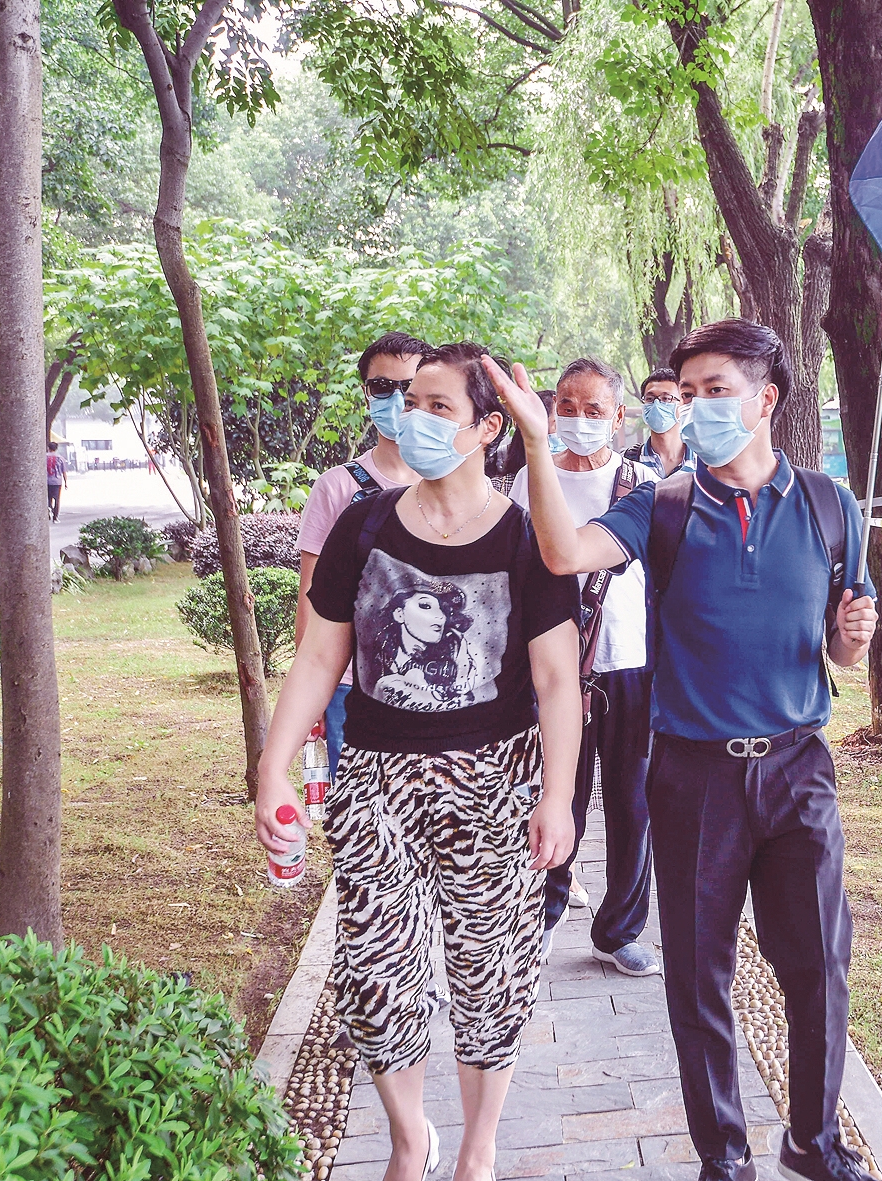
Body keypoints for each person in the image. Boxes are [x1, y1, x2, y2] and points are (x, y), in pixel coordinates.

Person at [488, 318, 881, 1181]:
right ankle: (724, 1154)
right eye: (689, 392)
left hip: (798, 768)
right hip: (693, 773)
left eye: (715, 391)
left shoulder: (828, 504)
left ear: (765, 400)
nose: (697, 407)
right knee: (699, 974)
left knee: (819, 963)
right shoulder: (663, 503)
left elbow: (841, 647)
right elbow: (563, 550)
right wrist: (537, 440)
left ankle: (813, 1142)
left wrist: (852, 638)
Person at [256, 341, 583, 1181]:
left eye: (440, 406)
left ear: (486, 428)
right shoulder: (363, 524)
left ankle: (478, 1147)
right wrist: (272, 765)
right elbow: (318, 655)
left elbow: (557, 680)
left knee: (491, 972)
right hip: (377, 779)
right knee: (376, 972)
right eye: (411, 402)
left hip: (494, 780)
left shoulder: (527, 538)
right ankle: (410, 1138)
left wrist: (558, 796)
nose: (416, 418)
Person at [509, 359, 660, 977]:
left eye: (593, 409)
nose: (578, 418)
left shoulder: (643, 482)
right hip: (552, 672)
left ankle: (618, 930)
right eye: (566, 406)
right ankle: (543, 912)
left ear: (618, 417)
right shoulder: (529, 480)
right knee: (557, 794)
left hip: (630, 666)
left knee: (631, 801)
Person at [297, 331, 428, 771]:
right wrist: (310, 693)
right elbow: (310, 595)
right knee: (358, 806)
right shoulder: (336, 487)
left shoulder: (456, 486)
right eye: (382, 386)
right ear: (366, 394)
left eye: (409, 387)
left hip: (434, 683)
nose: (397, 399)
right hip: (350, 686)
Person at [626, 368, 697, 477]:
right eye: (650, 399)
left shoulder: (703, 463)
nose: (656, 404)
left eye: (666, 398)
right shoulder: (628, 464)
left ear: (683, 403)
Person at [46, 442, 67, 521]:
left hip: (47, 481)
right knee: (57, 499)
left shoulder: (44, 457)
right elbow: (64, 472)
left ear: (48, 448)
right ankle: (55, 517)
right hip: (57, 481)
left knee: (48, 498)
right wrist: (66, 482)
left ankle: (49, 508)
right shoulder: (61, 458)